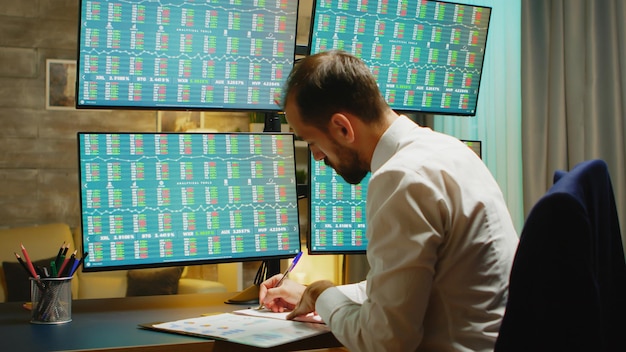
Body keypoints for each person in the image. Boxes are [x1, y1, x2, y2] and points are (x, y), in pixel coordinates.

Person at [259, 50, 519, 352]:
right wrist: (312, 291)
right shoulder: (450, 151)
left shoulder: (401, 178)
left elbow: (384, 342)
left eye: (312, 141)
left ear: (343, 127)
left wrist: (322, 296)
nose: (316, 156)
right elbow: (407, 288)